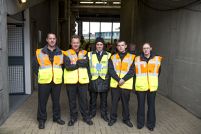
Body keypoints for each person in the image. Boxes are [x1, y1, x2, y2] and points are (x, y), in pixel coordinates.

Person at [33, 33, 65, 129]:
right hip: (44, 81)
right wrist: (41, 75)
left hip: (56, 81)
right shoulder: (39, 52)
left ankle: (57, 118)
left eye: (54, 38)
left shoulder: (61, 53)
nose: (52, 40)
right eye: (50, 38)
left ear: (56, 40)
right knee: (42, 102)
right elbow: (34, 66)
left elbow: (63, 67)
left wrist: (60, 76)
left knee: (56, 101)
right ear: (46, 40)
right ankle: (41, 120)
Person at [63, 35, 93, 126]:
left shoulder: (85, 53)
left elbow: (86, 63)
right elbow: (68, 66)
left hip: (83, 81)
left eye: (77, 42)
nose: (75, 44)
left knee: (84, 100)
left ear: (80, 43)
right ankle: (73, 118)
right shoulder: (66, 53)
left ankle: (86, 117)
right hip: (71, 81)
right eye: (74, 42)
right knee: (72, 101)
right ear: (71, 43)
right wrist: (79, 63)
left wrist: (76, 63)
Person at [135, 43, 162, 131]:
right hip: (141, 86)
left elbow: (158, 72)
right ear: (142, 49)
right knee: (141, 106)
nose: (146, 50)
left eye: (147, 48)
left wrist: (153, 81)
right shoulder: (137, 59)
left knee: (151, 106)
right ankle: (140, 123)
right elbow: (134, 73)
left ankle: (151, 125)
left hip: (152, 86)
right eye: (144, 48)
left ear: (151, 48)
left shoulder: (157, 59)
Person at [108, 40, 135, 127]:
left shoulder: (132, 57)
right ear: (116, 47)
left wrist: (123, 79)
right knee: (114, 103)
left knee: (125, 103)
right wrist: (118, 79)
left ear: (126, 46)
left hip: (125, 84)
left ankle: (126, 119)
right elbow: (110, 70)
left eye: (122, 45)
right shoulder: (113, 57)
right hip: (115, 84)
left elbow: (132, 71)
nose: (120, 47)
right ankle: (113, 119)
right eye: (119, 45)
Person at [88, 37, 111, 122]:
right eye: (97, 44)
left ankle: (104, 114)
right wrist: (89, 76)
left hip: (104, 80)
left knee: (104, 100)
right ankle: (92, 113)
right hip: (93, 80)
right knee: (92, 99)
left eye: (101, 44)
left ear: (103, 45)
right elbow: (87, 67)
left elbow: (110, 68)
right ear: (95, 45)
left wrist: (107, 77)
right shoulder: (89, 54)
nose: (99, 46)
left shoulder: (108, 55)